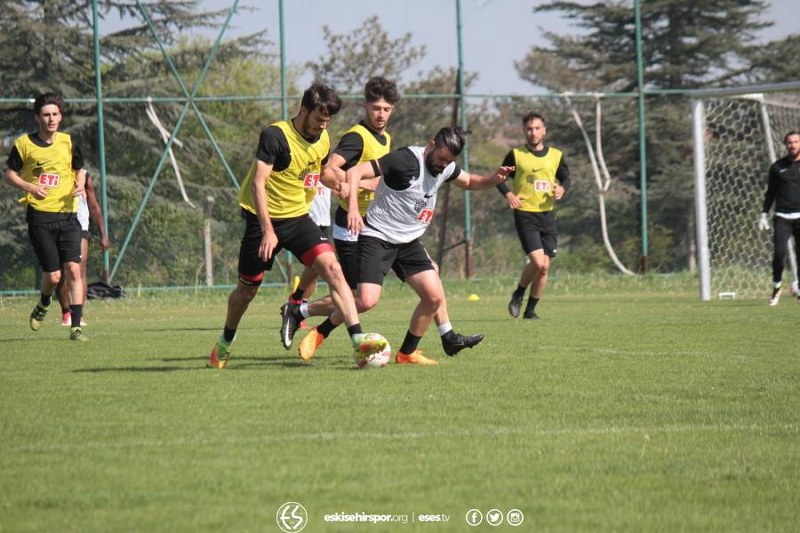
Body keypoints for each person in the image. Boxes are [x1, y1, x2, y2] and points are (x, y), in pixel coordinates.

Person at [289, 77, 484, 362]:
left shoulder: (385, 139)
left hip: (382, 226)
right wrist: (356, 187)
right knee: (359, 299)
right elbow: (328, 171)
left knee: (428, 272)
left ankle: (444, 336)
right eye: (376, 108)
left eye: (387, 109)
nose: (381, 114)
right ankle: (303, 313)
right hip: (355, 227)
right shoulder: (357, 137)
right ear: (366, 106)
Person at [298, 127, 513, 366]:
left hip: (408, 242)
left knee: (433, 297)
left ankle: (407, 353)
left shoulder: (445, 166)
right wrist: (354, 210)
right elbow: (355, 172)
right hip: (378, 236)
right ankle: (310, 320)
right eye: (441, 158)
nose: (443, 165)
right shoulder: (405, 160)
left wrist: (493, 180)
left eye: (449, 161)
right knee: (365, 301)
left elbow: (470, 180)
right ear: (431, 145)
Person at [208, 83, 377, 369]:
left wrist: (337, 184)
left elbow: (319, 173)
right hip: (262, 219)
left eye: (327, 120)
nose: (323, 125)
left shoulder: (323, 139)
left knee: (332, 268)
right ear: (304, 110)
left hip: (298, 218)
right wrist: (267, 231)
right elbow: (258, 184)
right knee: (247, 291)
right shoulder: (275, 136)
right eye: (319, 118)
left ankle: (358, 341)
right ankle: (226, 340)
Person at [4, 92, 88, 341]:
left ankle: (76, 327)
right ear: (37, 118)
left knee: (73, 270)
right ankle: (43, 302)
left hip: (68, 214)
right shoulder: (24, 144)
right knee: (53, 276)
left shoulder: (68, 142)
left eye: (55, 114)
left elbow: (80, 169)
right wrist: (30, 187)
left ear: (60, 117)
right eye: (46, 115)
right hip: (40, 216)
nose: (51, 119)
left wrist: (80, 183)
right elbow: (10, 174)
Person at [497, 112, 570, 320]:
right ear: (524, 131)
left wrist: (561, 189)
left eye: (537, 128)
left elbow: (566, 178)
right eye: (529, 129)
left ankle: (530, 310)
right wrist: (509, 194)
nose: (533, 132)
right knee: (538, 262)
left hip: (547, 214)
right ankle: (518, 294)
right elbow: (500, 178)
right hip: (525, 214)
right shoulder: (516, 155)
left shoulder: (556, 155)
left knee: (545, 267)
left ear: (544, 131)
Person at [56, 173, 110, 325]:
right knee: (60, 273)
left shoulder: (85, 177)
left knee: (79, 271)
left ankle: (78, 315)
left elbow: (94, 206)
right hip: (57, 226)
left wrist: (103, 235)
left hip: (80, 227)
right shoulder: (55, 170)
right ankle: (66, 312)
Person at [758, 130, 800, 306]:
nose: (793, 145)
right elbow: (771, 193)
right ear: (785, 144)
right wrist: (763, 214)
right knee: (779, 253)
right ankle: (777, 286)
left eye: (796, 142)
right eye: (790, 142)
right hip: (782, 217)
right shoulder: (777, 167)